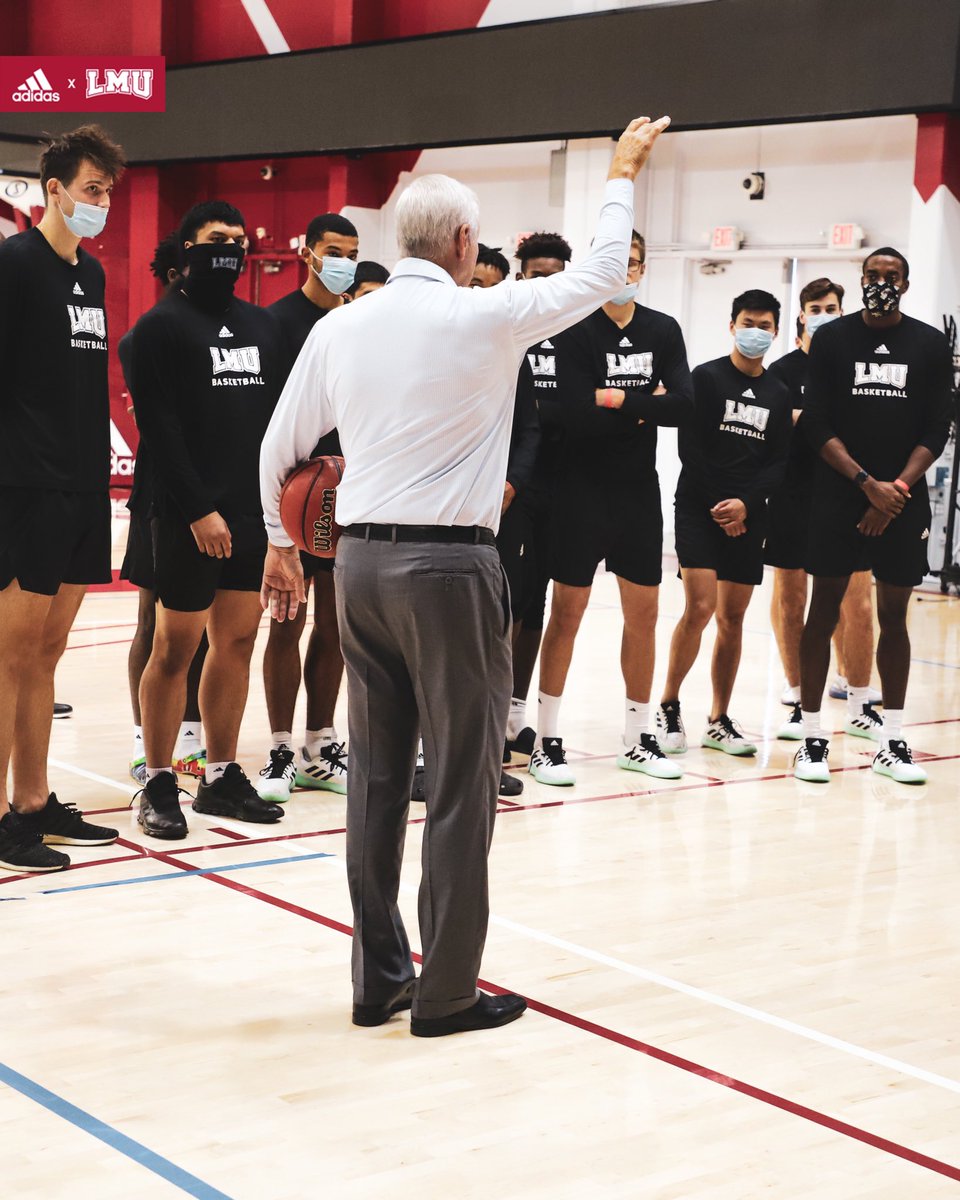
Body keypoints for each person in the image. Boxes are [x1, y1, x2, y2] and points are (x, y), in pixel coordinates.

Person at [260, 114, 671, 1036]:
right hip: (449, 567)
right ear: (458, 244)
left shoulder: (343, 326)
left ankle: (376, 981)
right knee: (458, 780)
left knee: (374, 779)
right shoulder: (485, 314)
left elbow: (279, 448)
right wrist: (620, 171)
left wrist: (280, 545)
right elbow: (603, 274)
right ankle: (444, 991)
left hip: (357, 563)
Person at [131, 200, 289, 838]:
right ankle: (160, 779)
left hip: (251, 512)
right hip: (186, 513)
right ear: (186, 249)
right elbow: (159, 430)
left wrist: (278, 515)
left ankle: (220, 776)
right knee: (175, 648)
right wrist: (199, 508)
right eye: (214, 238)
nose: (229, 247)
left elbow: (279, 424)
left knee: (238, 643)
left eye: (238, 238)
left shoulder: (265, 327)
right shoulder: (158, 327)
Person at [0, 124, 126, 873]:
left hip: (84, 489)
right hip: (25, 487)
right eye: (90, 190)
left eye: (107, 192)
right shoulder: (12, 267)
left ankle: (34, 801)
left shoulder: (96, 276)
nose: (100, 203)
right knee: (9, 657)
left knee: (48, 655)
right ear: (53, 190)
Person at [528, 231, 692, 785]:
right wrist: (648, 406)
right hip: (579, 490)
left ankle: (638, 735)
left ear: (644, 270)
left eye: (635, 263)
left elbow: (685, 406)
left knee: (643, 617)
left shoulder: (663, 329)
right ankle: (547, 738)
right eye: (617, 262)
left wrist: (620, 398)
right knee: (566, 614)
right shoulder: (573, 327)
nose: (626, 270)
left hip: (637, 494)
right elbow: (574, 413)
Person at [795, 247, 952, 784]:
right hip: (841, 495)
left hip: (902, 501)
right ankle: (813, 738)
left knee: (895, 619)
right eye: (872, 275)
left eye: (891, 276)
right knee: (823, 614)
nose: (881, 283)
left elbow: (937, 430)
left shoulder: (929, 344)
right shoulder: (833, 340)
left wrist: (897, 490)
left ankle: (893, 739)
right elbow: (815, 423)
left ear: (905, 284)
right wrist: (866, 485)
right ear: (860, 281)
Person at [658, 289, 791, 756]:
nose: (756, 332)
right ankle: (669, 706)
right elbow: (689, 447)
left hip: (749, 514)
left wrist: (747, 506)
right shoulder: (707, 379)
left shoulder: (778, 393)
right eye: (747, 322)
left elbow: (778, 461)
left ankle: (718, 718)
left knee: (732, 618)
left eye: (765, 325)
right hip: (700, 506)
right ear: (732, 325)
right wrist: (722, 505)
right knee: (699, 607)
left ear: (775, 332)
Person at [255, 213, 359, 804]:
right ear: (307, 254)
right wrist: (275, 515)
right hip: (296, 496)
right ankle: (279, 748)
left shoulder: (359, 323)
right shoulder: (274, 324)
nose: (343, 259)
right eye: (333, 249)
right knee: (286, 621)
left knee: (338, 626)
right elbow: (270, 424)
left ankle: (321, 745)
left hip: (352, 495)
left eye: (352, 250)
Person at [766, 280, 883, 742]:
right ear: (802, 315)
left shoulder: (860, 365)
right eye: (815, 308)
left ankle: (858, 698)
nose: (823, 314)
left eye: (831, 307)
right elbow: (771, 431)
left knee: (857, 601)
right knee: (791, 598)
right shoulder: (780, 370)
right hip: (792, 497)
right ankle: (797, 694)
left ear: (843, 310)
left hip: (847, 497)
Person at [119, 232, 208, 785]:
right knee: (152, 619)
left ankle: (192, 736)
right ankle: (142, 738)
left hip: (211, 492)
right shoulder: (146, 336)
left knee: (200, 626)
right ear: (176, 271)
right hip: (158, 493)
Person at [503, 232, 574, 763]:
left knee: (538, 606)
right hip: (510, 486)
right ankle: (489, 717)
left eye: (556, 274)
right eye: (536, 274)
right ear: (521, 275)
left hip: (569, 486)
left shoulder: (583, 328)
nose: (546, 283)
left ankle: (516, 716)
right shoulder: (507, 326)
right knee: (505, 602)